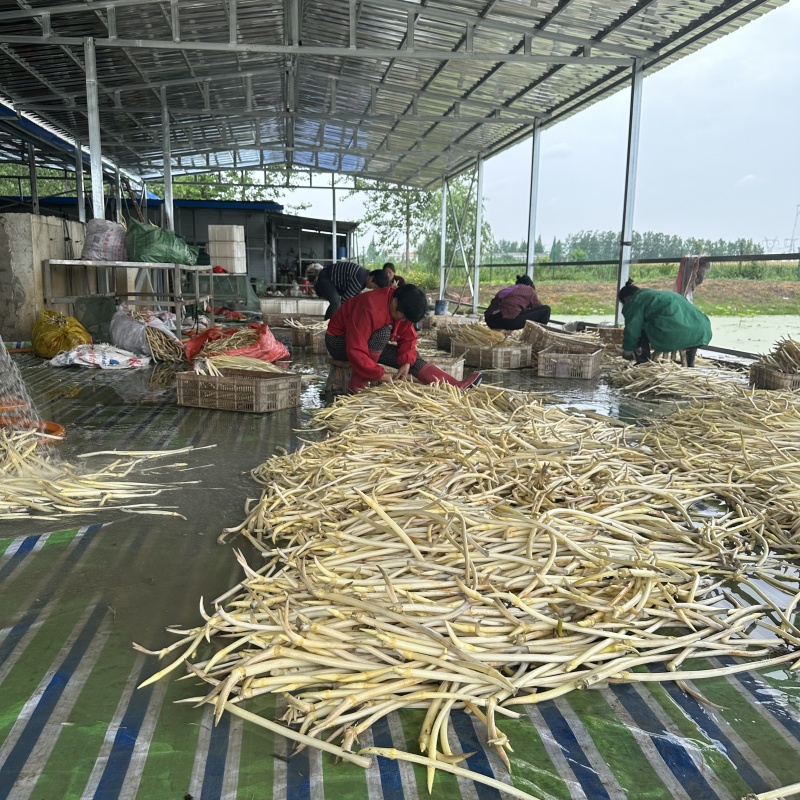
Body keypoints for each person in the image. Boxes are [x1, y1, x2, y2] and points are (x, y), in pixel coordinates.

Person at [326, 283, 483, 393]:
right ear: (395, 301)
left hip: (365, 344)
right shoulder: (370, 307)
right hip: (338, 342)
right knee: (383, 333)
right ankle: (358, 383)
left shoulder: (402, 309)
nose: (402, 321)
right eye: (402, 317)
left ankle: (454, 385)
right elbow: (355, 348)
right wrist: (379, 375)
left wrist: (406, 362)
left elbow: (408, 338)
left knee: (412, 357)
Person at [618, 280, 712, 367]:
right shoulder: (662, 294)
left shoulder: (635, 301)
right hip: (703, 333)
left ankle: (643, 364)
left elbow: (632, 329)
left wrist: (628, 351)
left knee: (639, 329)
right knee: (688, 329)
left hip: (676, 334)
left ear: (626, 299)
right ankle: (690, 363)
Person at [315, 261, 389, 320]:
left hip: (335, 282)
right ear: (371, 278)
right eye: (374, 287)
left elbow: (355, 299)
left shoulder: (364, 277)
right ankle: (327, 326)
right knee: (336, 303)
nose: (373, 289)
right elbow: (344, 301)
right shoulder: (360, 278)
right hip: (326, 278)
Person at [484, 275, 551, 330]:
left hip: (491, 320)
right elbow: (537, 307)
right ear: (529, 285)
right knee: (546, 310)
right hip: (508, 321)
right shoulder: (529, 289)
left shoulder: (508, 289)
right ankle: (537, 337)